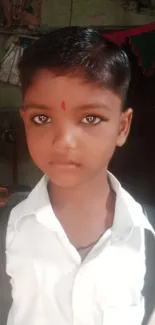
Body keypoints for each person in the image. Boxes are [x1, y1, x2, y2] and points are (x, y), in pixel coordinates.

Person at [6, 27, 154, 325]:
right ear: (25, 122)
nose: (63, 142)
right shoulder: (8, 231)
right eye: (42, 118)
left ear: (122, 127)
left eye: (90, 118)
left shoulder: (147, 236)